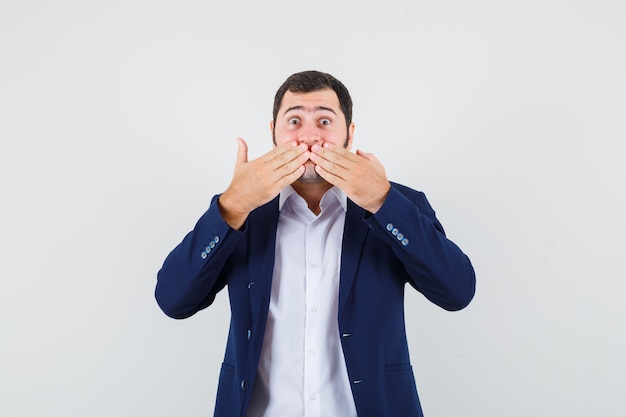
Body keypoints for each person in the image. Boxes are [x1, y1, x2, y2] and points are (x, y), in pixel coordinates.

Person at [155, 70, 476, 417]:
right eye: (294, 121)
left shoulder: (397, 205)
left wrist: (384, 202)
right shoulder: (240, 209)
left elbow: (457, 292)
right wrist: (232, 206)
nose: (308, 136)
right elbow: (173, 300)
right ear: (273, 134)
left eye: (325, 121)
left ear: (349, 135)